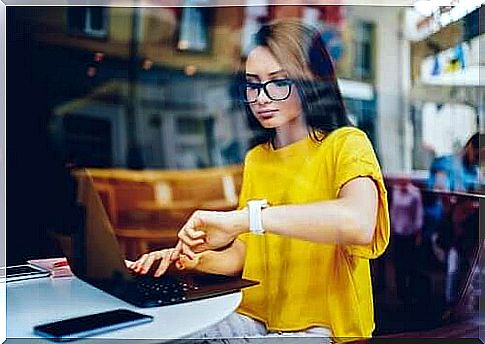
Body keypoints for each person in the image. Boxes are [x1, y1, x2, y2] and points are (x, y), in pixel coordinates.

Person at [129, 20, 390, 342]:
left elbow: (359, 222)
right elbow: (242, 255)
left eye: (278, 82)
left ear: (310, 80)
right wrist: (188, 260)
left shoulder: (347, 143)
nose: (261, 98)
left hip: (324, 327)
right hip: (255, 315)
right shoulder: (258, 159)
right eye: (253, 85)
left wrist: (245, 219)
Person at [389, 176, 423, 306]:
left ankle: (412, 292)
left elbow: (418, 214)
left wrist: (417, 232)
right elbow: (393, 210)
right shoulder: (396, 191)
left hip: (410, 233)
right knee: (399, 264)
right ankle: (401, 293)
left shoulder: (414, 193)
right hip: (398, 233)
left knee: (411, 263)